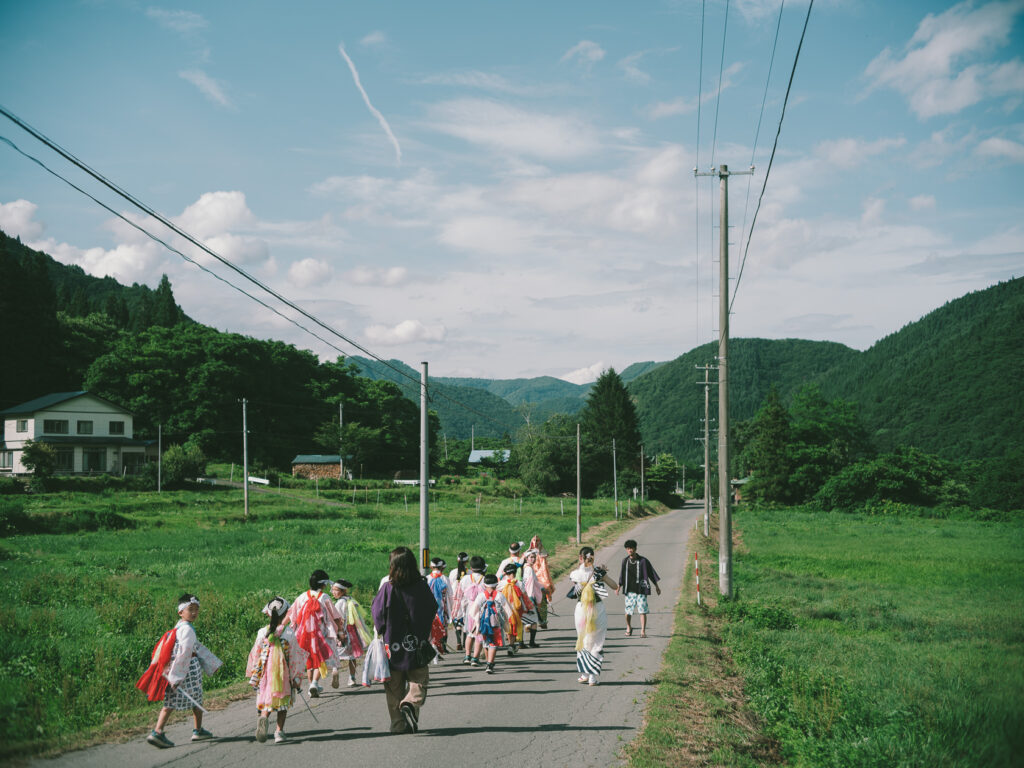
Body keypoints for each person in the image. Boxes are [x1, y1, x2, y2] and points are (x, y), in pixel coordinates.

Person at [138, 593, 222, 748]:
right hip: (187, 670)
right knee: (187, 699)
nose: (194, 613)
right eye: (190, 609)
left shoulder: (179, 627)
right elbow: (184, 653)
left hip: (180, 670)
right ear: (180, 612)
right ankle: (161, 732)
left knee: (183, 700)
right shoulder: (187, 630)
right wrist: (176, 676)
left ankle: (193, 730)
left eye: (196, 609)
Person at [371, 546, 437, 734]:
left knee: (393, 688)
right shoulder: (421, 586)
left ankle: (398, 725)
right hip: (416, 644)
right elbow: (432, 608)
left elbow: (377, 613)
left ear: (392, 565)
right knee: (419, 680)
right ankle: (411, 703)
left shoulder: (387, 588)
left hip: (392, 646)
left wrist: (383, 630)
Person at [245, 597, 306, 744]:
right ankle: (279, 732)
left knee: (267, 699)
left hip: (266, 674)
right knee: (282, 702)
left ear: (268, 614)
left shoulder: (262, 632)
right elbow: (294, 657)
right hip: (283, 675)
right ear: (285, 614)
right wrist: (296, 677)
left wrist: (254, 672)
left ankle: (264, 717)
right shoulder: (289, 633)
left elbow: (256, 653)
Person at [286, 570, 342, 697]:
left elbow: (292, 614)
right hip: (322, 635)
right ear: (323, 584)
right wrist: (339, 629)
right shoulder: (324, 597)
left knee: (310, 660)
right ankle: (315, 683)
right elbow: (335, 615)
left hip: (305, 635)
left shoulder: (302, 596)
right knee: (320, 659)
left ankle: (311, 686)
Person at [569, 547, 618, 686]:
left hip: (581, 609)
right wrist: (603, 574)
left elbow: (578, 586)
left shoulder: (575, 574)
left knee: (583, 639)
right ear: (593, 557)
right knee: (597, 642)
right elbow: (615, 586)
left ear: (580, 557)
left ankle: (585, 674)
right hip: (597, 608)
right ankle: (591, 677)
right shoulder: (598, 573)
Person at [466, 573, 512, 674]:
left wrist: (477, 618)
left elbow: (473, 611)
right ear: (496, 584)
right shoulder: (500, 595)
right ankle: (490, 664)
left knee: (486, 642)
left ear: (484, 585)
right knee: (494, 642)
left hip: (484, 623)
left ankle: (488, 662)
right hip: (496, 622)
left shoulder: (481, 596)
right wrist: (504, 619)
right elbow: (508, 610)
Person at [616, 539, 662, 638]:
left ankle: (643, 631)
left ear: (635, 549)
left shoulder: (643, 561)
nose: (630, 550)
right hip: (629, 590)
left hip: (641, 590)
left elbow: (651, 573)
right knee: (628, 612)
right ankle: (629, 627)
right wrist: (618, 587)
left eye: (631, 548)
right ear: (626, 549)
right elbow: (622, 575)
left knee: (642, 611)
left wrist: (656, 586)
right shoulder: (625, 561)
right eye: (628, 548)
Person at [331, 579, 370, 687]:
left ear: (343, 591)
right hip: (352, 632)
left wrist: (338, 632)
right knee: (352, 657)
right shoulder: (352, 600)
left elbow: (337, 619)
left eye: (336, 590)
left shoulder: (339, 603)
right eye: (332, 590)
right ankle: (352, 678)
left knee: (336, 654)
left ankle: (335, 670)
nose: (333, 592)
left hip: (342, 632)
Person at [459, 556, 488, 666]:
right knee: (479, 634)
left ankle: (467, 655)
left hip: (469, 609)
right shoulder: (485, 579)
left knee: (469, 633)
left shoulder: (465, 579)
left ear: (471, 567)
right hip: (481, 609)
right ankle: (475, 658)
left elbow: (461, 595)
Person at [499, 562, 533, 655]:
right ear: (515, 572)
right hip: (516, 609)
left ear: (506, 573)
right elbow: (525, 597)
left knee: (508, 627)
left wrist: (502, 575)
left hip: (505, 609)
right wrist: (528, 608)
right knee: (515, 626)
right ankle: (511, 645)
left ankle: (511, 645)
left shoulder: (501, 584)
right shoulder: (519, 583)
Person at [426, 557, 453, 657]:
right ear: (442, 567)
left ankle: (432, 649)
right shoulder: (445, 579)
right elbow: (450, 595)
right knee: (442, 627)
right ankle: (441, 647)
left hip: (429, 607)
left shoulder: (427, 578)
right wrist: (451, 609)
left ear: (431, 567)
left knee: (430, 628)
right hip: (442, 608)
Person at [528, 535, 555, 629]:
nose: (536, 543)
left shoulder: (542, 555)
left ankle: (542, 620)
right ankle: (532, 622)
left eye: (537, 542)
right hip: (532, 580)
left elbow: (544, 569)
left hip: (540, 580)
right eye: (535, 542)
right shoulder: (529, 554)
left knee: (541, 601)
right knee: (531, 601)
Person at [521, 549, 544, 648]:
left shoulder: (526, 568)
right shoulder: (529, 569)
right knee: (534, 620)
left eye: (534, 557)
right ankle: (531, 642)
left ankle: (521, 643)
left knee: (522, 620)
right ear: (526, 558)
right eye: (531, 557)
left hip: (524, 596)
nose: (533, 559)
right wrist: (531, 598)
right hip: (529, 596)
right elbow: (529, 584)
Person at [448, 552, 470, 650]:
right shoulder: (470, 573)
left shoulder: (453, 572)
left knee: (456, 617)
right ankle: (465, 642)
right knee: (465, 618)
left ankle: (458, 641)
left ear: (457, 560)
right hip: (466, 597)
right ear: (467, 561)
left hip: (456, 598)